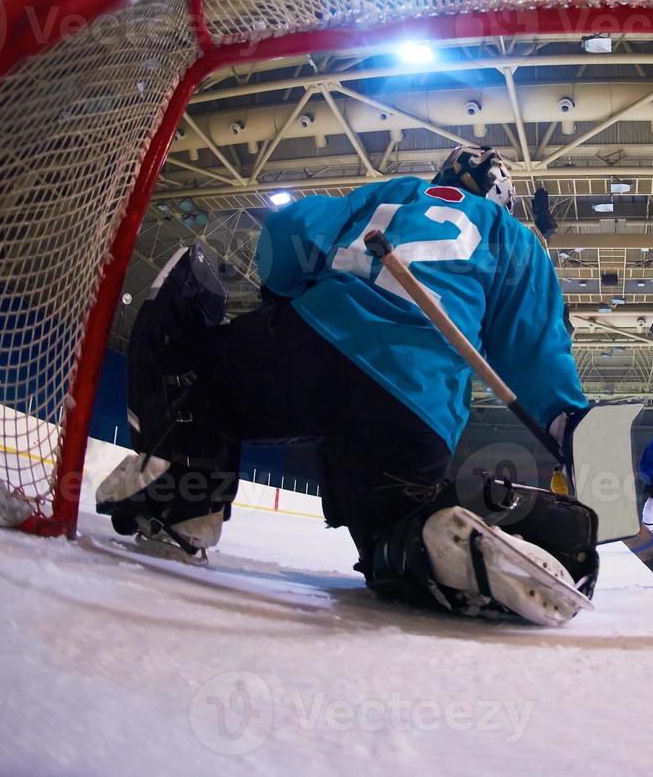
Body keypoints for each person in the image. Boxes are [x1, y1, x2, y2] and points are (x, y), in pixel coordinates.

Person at [97, 145, 600, 626]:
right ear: (503, 199)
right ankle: (424, 539)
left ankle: (185, 502)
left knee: (201, 374)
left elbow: (287, 230)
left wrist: (283, 292)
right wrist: (565, 418)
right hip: (414, 406)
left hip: (311, 345)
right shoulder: (514, 238)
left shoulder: (395, 192)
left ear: (443, 175)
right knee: (389, 528)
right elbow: (534, 349)